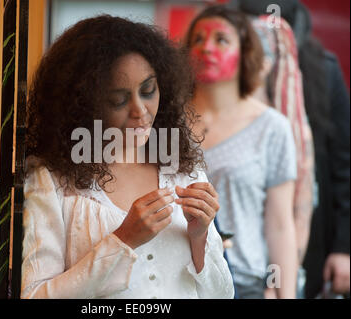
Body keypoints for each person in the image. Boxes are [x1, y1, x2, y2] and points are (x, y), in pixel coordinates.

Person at [21, 15, 234, 299]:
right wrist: (123, 240)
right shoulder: (50, 179)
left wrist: (199, 237)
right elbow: (34, 295)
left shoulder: (182, 165)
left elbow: (221, 295)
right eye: (118, 100)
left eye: (148, 91)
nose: (140, 110)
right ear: (82, 105)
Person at [230, 0, 350, 299]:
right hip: (238, 242)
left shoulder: (321, 67)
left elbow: (344, 165)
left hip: (310, 232)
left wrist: (344, 248)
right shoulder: (225, 72)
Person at [183, 5, 298, 298]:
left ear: (246, 51)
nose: (206, 48)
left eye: (221, 39)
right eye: (197, 40)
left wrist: (283, 292)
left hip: (246, 284)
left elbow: (281, 224)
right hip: (178, 281)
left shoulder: (272, 127)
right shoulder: (162, 122)